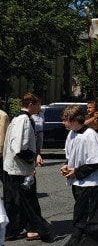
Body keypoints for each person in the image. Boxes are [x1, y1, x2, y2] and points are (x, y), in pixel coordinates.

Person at [60, 105, 98, 246]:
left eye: (65, 120)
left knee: (90, 216)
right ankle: (78, 239)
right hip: (79, 181)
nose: (63, 123)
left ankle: (85, 242)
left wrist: (76, 171)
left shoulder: (90, 135)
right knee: (81, 213)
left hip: (91, 183)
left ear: (75, 119)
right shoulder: (72, 133)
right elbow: (72, 155)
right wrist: (67, 165)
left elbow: (96, 162)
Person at [3, 92, 50, 242]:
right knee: (27, 200)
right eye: (38, 105)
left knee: (19, 200)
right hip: (20, 168)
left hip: (17, 167)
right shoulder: (23, 120)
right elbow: (18, 148)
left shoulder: (19, 118)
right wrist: (32, 159)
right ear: (30, 105)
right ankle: (36, 228)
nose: (40, 108)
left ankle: (17, 229)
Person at [0, 98, 9, 183]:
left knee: (4, 177)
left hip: (1, 152)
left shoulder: (2, 115)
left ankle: (9, 195)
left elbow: (2, 133)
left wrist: (1, 150)